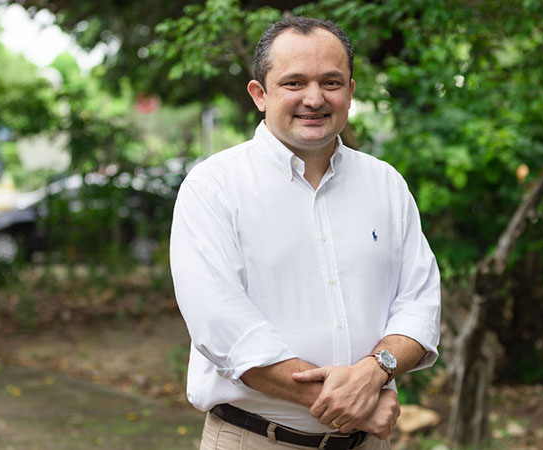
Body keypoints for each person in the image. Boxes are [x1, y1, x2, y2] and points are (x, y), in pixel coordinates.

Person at [170, 16, 441, 450]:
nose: (314, 99)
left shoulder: (386, 184)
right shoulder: (213, 188)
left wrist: (376, 371)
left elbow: (419, 301)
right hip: (255, 440)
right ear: (260, 94)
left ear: (350, 92)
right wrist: (354, 403)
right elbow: (223, 328)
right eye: (294, 83)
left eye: (331, 82)